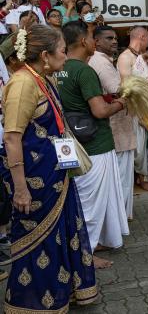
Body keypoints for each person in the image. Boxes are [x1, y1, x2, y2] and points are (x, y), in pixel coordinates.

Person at [0, 24, 97, 312]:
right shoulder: (22, 84)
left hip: (55, 175)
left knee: (61, 234)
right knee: (38, 243)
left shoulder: (43, 79)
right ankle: (31, 304)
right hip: (33, 181)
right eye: (63, 52)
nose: (67, 58)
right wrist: (20, 189)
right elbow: (12, 137)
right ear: (45, 55)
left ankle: (63, 292)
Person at [59, 20, 129, 268]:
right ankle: (84, 255)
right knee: (90, 204)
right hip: (94, 145)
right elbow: (99, 111)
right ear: (82, 41)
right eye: (91, 36)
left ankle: (91, 243)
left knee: (81, 199)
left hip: (71, 143)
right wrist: (123, 102)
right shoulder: (83, 70)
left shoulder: (57, 68)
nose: (94, 40)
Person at [88, 25, 137, 218]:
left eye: (115, 38)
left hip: (116, 127)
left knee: (120, 177)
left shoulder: (104, 60)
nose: (114, 41)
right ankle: (119, 219)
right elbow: (118, 90)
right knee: (121, 178)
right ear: (96, 41)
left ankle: (118, 218)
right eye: (109, 38)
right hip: (116, 128)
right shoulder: (101, 62)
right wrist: (138, 86)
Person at [117, 26, 148, 191]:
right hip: (132, 110)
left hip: (144, 108)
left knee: (142, 146)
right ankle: (130, 180)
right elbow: (126, 86)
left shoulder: (139, 57)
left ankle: (140, 177)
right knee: (135, 146)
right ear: (141, 36)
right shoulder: (125, 57)